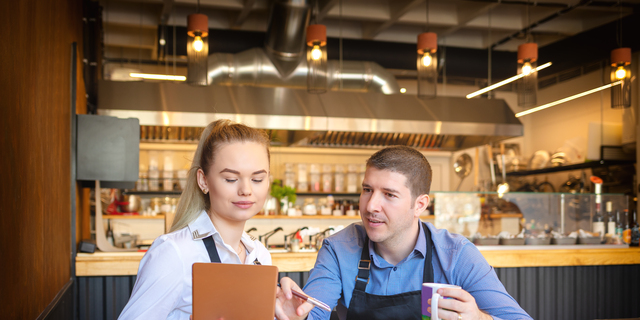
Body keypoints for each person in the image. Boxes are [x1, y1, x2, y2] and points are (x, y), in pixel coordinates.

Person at [278, 145, 532, 320]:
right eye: (367, 190)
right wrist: (293, 314)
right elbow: (313, 313)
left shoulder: (456, 254)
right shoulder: (338, 249)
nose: (371, 205)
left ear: (420, 204)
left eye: (389, 194)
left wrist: (478, 318)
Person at [119, 119, 305, 320]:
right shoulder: (175, 253)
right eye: (231, 179)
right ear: (203, 180)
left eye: (257, 179)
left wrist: (284, 316)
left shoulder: (259, 255)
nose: (246, 190)